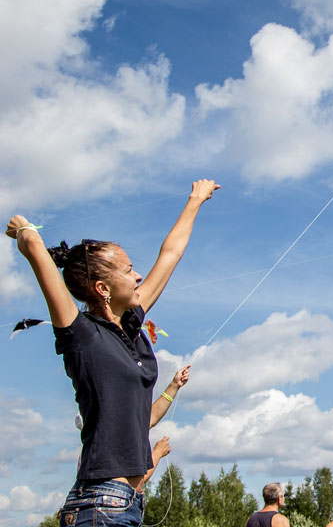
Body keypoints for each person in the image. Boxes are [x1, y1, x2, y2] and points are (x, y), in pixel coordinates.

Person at [5, 179, 219, 527]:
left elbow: (170, 255)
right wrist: (23, 229)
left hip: (127, 503)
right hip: (99, 504)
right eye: (128, 270)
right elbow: (34, 247)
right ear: (103, 289)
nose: (137, 276)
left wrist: (195, 200)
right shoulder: (81, 334)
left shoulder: (132, 326)